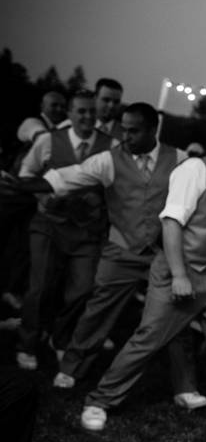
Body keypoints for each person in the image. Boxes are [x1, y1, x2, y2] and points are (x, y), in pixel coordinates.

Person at [79, 99, 206, 442]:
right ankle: (99, 400)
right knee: (148, 340)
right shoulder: (194, 169)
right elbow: (171, 223)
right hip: (176, 273)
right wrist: (181, 275)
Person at [1, 103, 206, 408]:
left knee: (177, 314)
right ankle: (72, 368)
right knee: (97, 311)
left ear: (153, 130)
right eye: (123, 129)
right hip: (121, 249)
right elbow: (65, 178)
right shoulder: (108, 160)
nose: (125, 136)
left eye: (133, 130)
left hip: (164, 254)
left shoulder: (179, 160)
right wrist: (20, 184)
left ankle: (185, 387)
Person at [16, 90, 113, 371]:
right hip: (49, 224)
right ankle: (27, 343)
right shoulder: (48, 141)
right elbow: (26, 174)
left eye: (91, 111)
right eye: (81, 111)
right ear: (69, 114)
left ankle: (60, 340)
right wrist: (45, 198)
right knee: (40, 287)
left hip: (87, 231)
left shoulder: (112, 146)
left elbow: (119, 184)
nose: (87, 117)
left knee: (82, 290)